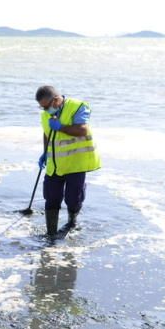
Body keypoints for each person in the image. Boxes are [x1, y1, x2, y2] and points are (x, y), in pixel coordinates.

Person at [35, 85, 101, 236]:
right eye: (42, 107)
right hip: (55, 165)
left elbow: (82, 130)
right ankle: (50, 234)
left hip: (75, 164)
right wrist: (45, 152)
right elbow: (47, 133)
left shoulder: (78, 107)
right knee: (51, 198)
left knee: (73, 198)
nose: (45, 110)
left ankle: (72, 222)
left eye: (47, 106)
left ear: (56, 100)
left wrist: (61, 127)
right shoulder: (45, 114)